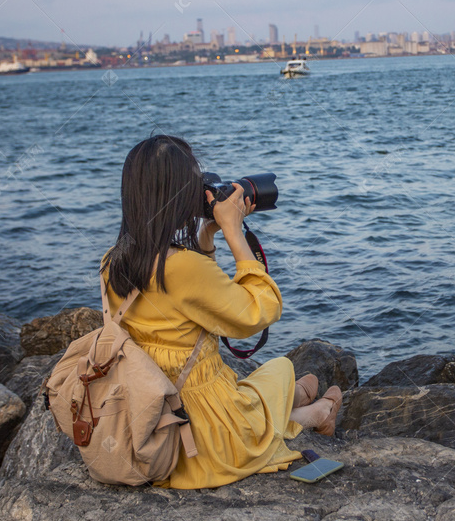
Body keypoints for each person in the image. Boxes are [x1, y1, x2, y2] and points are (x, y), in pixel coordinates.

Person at [99, 135, 342, 489]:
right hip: (199, 435)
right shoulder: (180, 268)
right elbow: (260, 311)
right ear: (181, 195)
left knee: (268, 383)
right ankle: (312, 413)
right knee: (281, 369)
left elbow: (195, 302)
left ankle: (292, 402)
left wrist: (205, 236)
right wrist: (232, 231)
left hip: (144, 414)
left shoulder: (113, 260)